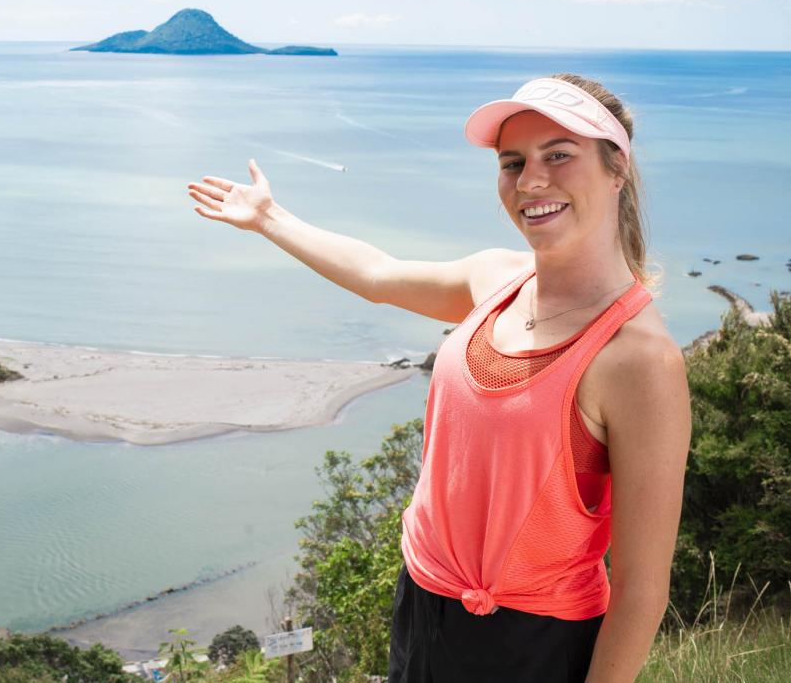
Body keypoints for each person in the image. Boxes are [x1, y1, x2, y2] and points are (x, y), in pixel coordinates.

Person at [185, 73, 691, 682]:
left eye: (559, 155)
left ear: (618, 170)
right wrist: (269, 218)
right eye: (512, 162)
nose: (531, 180)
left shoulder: (637, 358)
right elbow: (378, 273)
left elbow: (641, 590)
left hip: (531, 641)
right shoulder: (497, 280)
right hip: (422, 601)